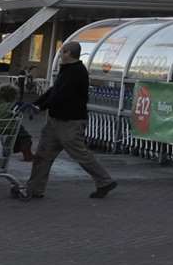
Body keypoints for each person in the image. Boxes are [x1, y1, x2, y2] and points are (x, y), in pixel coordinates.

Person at [25, 43, 117, 200]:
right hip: (55, 121)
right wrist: (37, 103)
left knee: (80, 154)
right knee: (43, 155)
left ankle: (104, 181)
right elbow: (54, 90)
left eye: (62, 52)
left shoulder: (77, 72)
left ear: (69, 53)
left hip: (70, 121)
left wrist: (41, 107)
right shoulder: (67, 70)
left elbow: (61, 95)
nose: (60, 54)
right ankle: (34, 189)